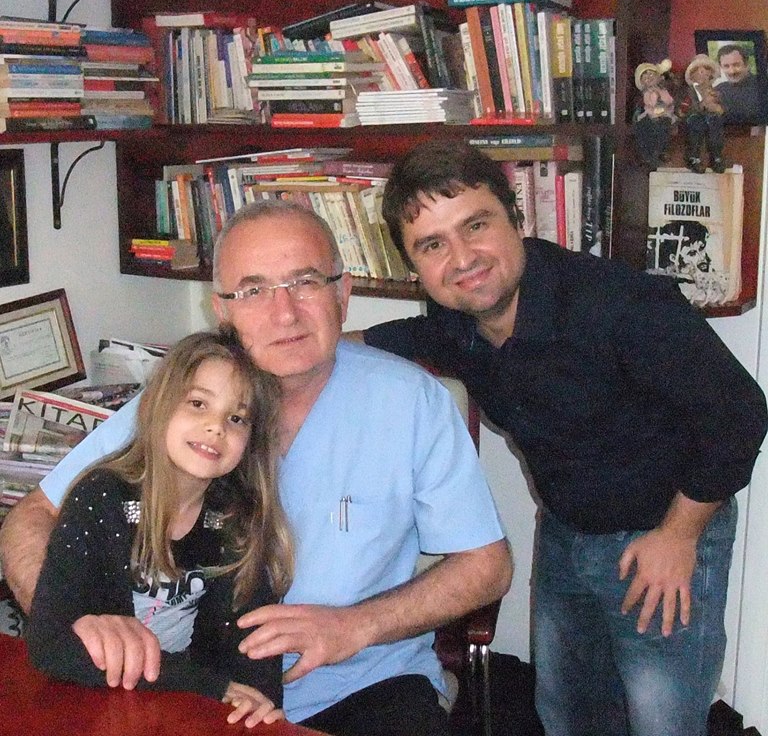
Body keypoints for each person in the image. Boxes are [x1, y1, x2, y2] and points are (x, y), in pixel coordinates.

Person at [0, 199, 511, 736]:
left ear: (342, 293)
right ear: (221, 312)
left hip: (364, 681)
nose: (284, 313)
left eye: (305, 282)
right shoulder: (180, 405)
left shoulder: (412, 401)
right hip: (194, 687)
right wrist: (79, 623)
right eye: (253, 290)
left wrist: (355, 626)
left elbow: (488, 565)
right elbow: (31, 518)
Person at [356, 139, 767, 736]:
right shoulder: (457, 320)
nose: (463, 257)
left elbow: (738, 412)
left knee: (662, 723)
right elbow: (405, 338)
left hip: (666, 534)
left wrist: (679, 535)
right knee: (569, 716)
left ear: (515, 218)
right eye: (433, 244)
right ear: (414, 265)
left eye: (476, 225)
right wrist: (305, 345)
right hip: (567, 535)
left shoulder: (619, 304)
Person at [25, 326, 290, 729]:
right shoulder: (100, 497)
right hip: (97, 709)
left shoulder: (237, 519)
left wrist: (259, 708)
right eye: (198, 404)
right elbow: (49, 643)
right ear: (158, 406)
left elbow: (254, 651)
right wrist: (205, 685)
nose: (216, 427)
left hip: (185, 714)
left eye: (236, 418)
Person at [680, 54, 726, 173]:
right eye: (698, 70)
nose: (702, 72)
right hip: (693, 119)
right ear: (692, 75)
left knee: (715, 122)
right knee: (696, 122)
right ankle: (693, 157)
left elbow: (723, 109)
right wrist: (702, 105)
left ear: (710, 74)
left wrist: (718, 108)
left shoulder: (715, 93)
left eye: (706, 69)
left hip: (710, 119)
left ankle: (716, 157)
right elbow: (683, 109)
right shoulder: (688, 92)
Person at [715, 44, 766, 123]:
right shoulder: (718, 90)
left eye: (736, 65)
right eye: (726, 66)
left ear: (746, 64)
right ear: (720, 67)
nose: (732, 71)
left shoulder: (763, 85)